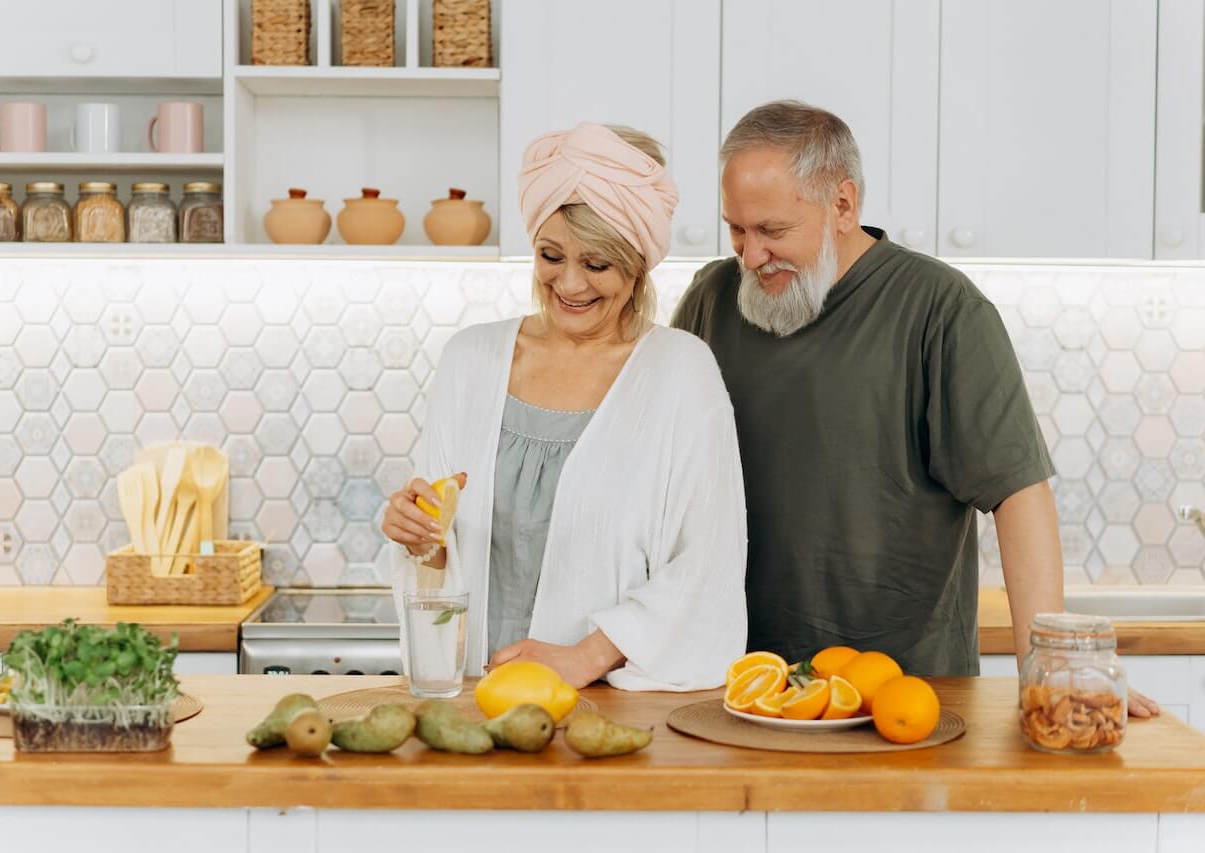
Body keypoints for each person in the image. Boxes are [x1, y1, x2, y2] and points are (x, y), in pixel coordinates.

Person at [672, 99, 1157, 716]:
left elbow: (1018, 494)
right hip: (738, 687)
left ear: (843, 205)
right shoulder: (711, 300)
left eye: (771, 231)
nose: (750, 255)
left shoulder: (942, 310)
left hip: (905, 695)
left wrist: (1052, 664)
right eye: (736, 229)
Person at [381, 122, 748, 691]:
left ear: (637, 266)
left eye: (597, 264)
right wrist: (418, 538)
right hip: (473, 698)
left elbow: (708, 563)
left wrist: (585, 657)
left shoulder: (681, 372)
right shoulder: (470, 361)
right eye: (551, 256)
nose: (569, 283)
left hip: (608, 706)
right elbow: (440, 562)